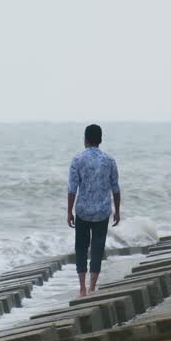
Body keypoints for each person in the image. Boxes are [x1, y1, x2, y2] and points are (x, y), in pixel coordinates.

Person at [67, 124, 121, 297]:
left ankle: (82, 288)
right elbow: (116, 188)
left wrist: (69, 211)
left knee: (81, 248)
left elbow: (72, 189)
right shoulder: (109, 160)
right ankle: (92, 287)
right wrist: (117, 211)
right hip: (102, 211)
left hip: (83, 211)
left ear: (86, 139)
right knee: (98, 248)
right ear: (100, 140)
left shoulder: (77, 160)